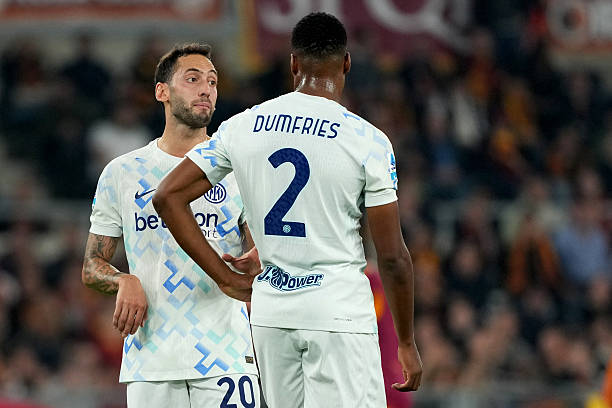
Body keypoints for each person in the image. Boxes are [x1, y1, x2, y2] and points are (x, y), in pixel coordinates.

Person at [153, 13, 423, 407]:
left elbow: (167, 196)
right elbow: (393, 256)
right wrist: (407, 342)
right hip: (337, 313)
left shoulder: (243, 126)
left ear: (293, 63)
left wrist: (225, 278)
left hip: (272, 313)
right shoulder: (368, 140)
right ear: (346, 63)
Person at [81, 43, 260, 408]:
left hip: (226, 355)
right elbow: (91, 266)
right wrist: (123, 280)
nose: (206, 89)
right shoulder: (122, 172)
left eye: (212, 81)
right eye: (193, 79)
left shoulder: (238, 168)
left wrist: (259, 259)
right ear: (162, 91)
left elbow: (260, 250)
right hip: (151, 360)